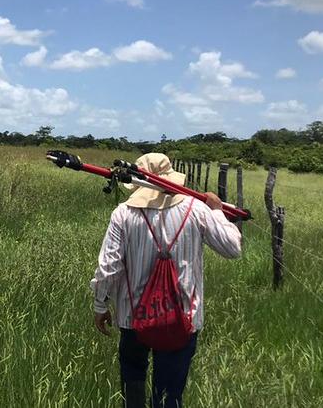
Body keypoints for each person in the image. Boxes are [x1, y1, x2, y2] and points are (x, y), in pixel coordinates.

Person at [90, 153, 242, 408]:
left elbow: (109, 267)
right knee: (169, 395)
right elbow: (232, 248)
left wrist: (100, 305)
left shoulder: (123, 214)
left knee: (133, 382)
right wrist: (217, 212)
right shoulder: (197, 209)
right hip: (182, 317)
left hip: (132, 318)